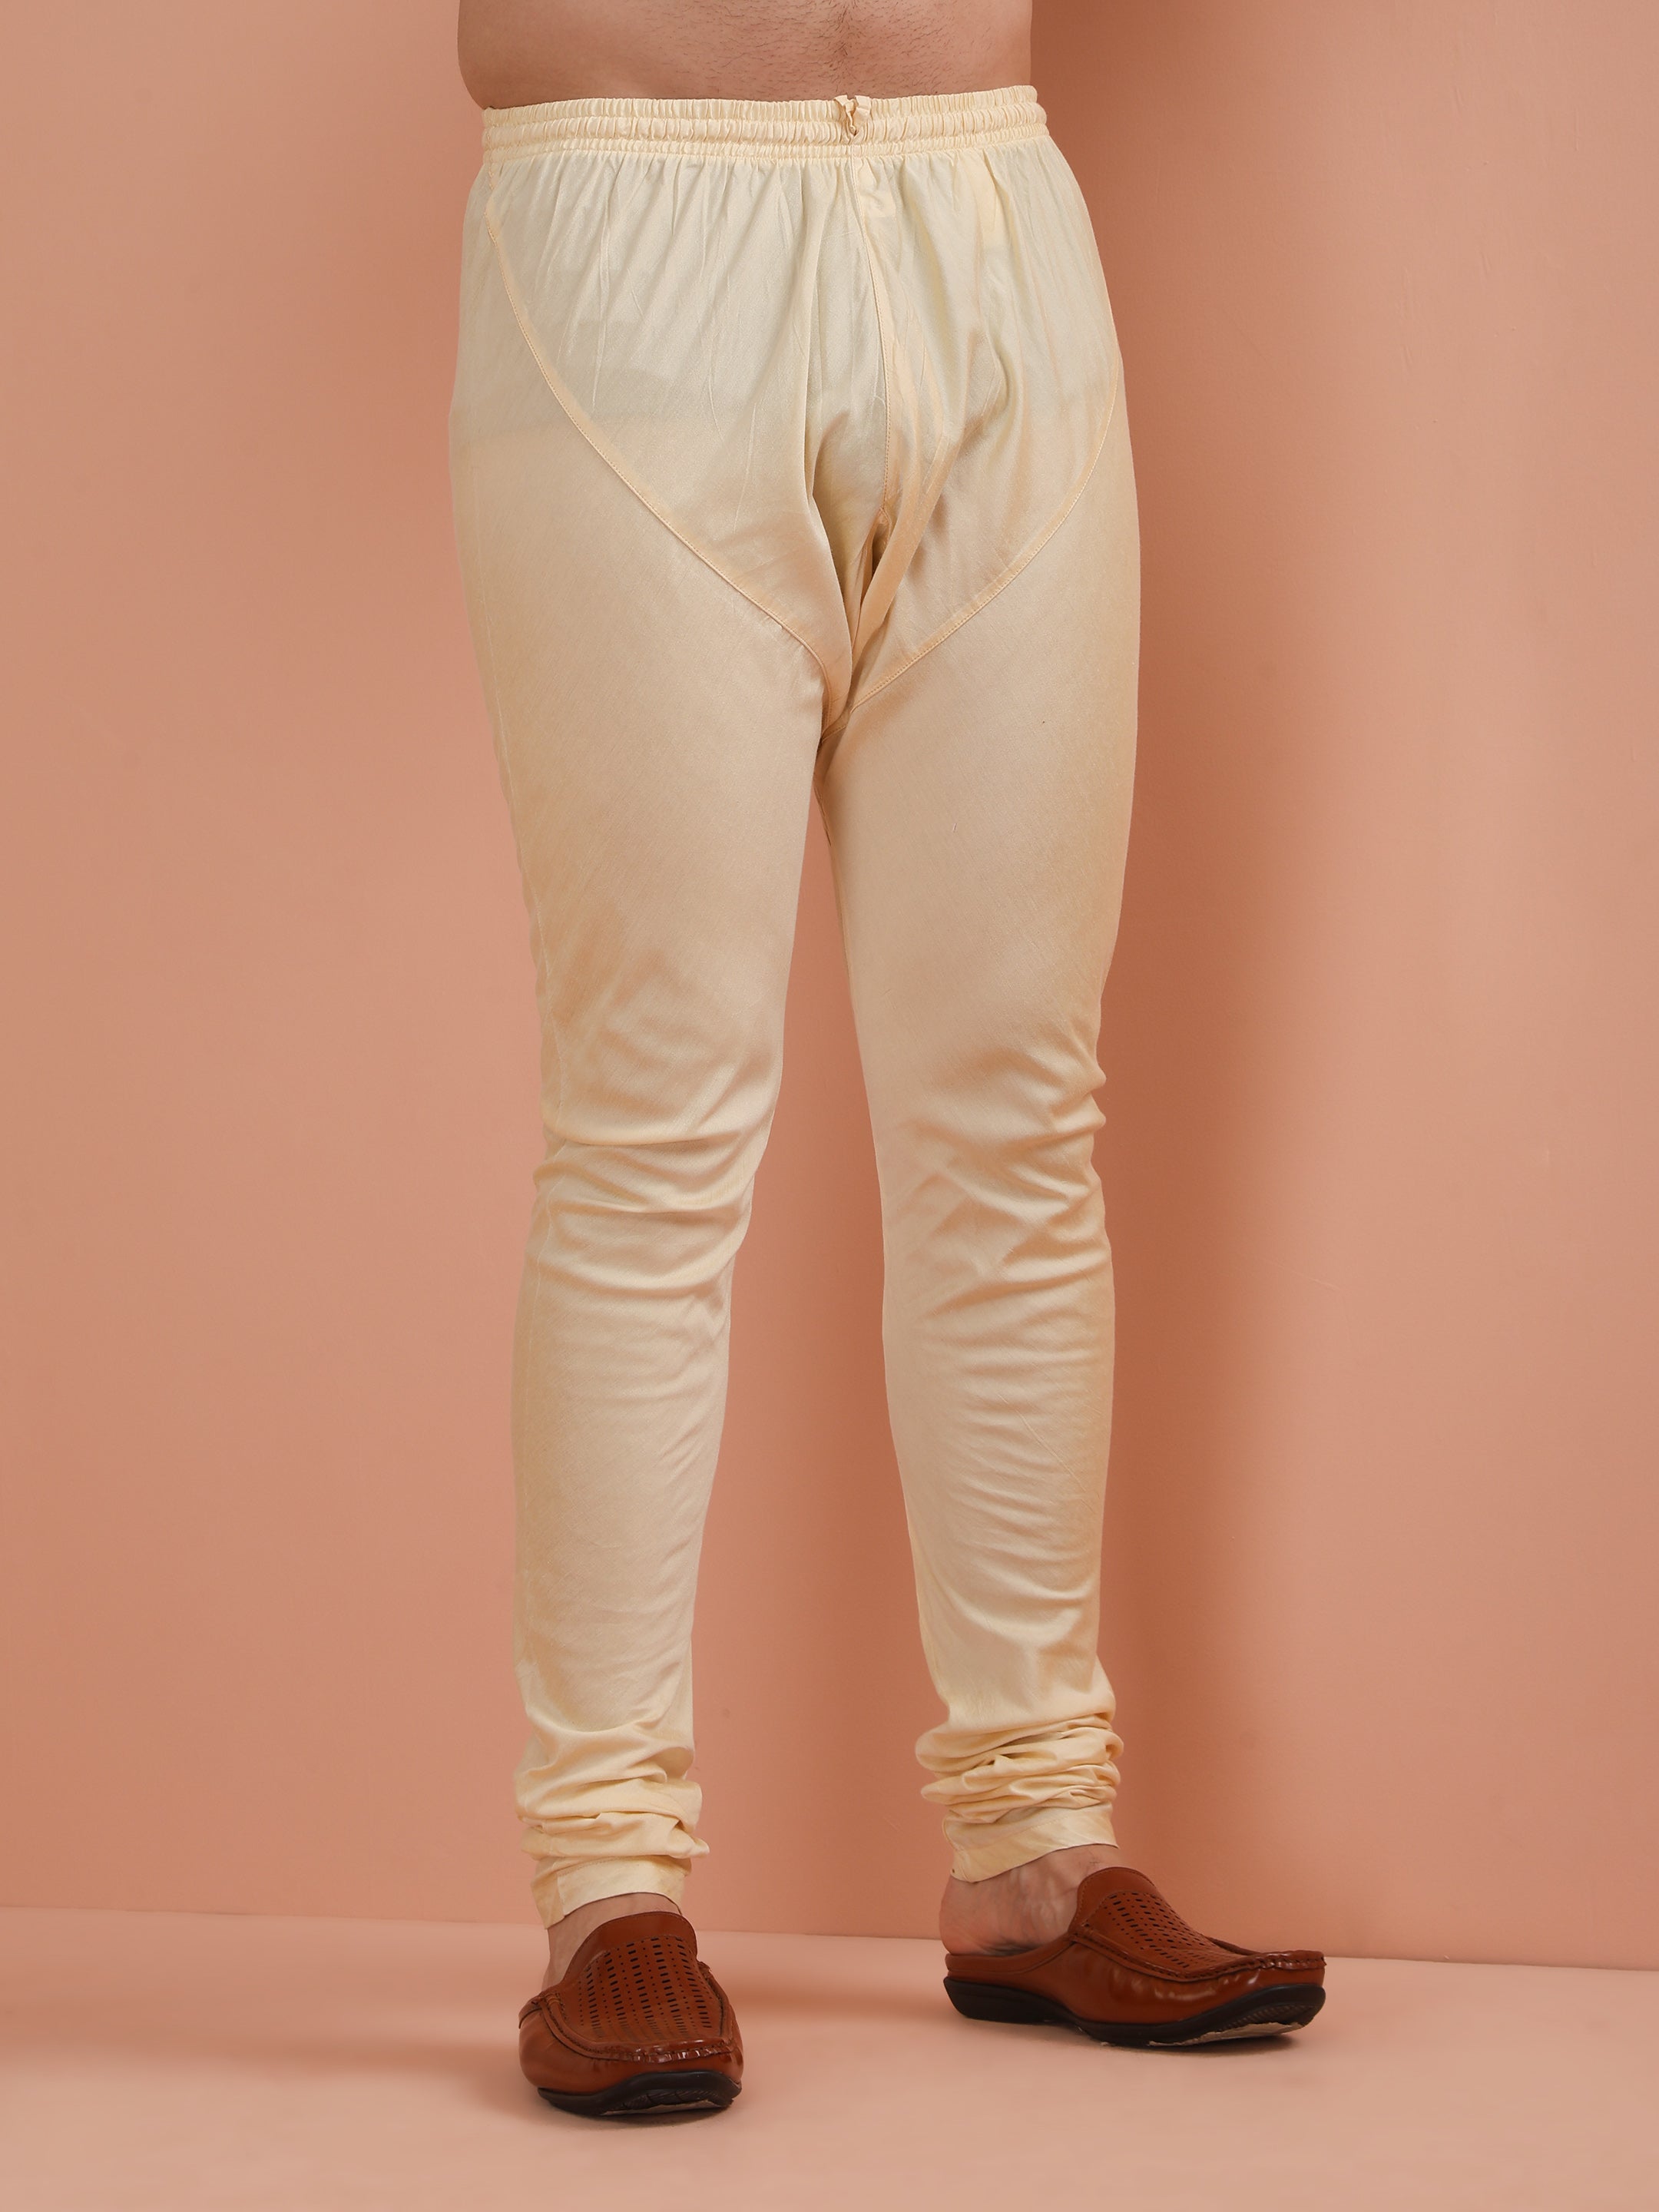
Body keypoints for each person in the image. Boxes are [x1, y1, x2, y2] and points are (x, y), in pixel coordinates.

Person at [447, 0, 1325, 2118]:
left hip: (989, 202)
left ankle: (1036, 1843)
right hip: (633, 217)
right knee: (653, 1121)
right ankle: (608, 1881)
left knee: (1016, 1106)